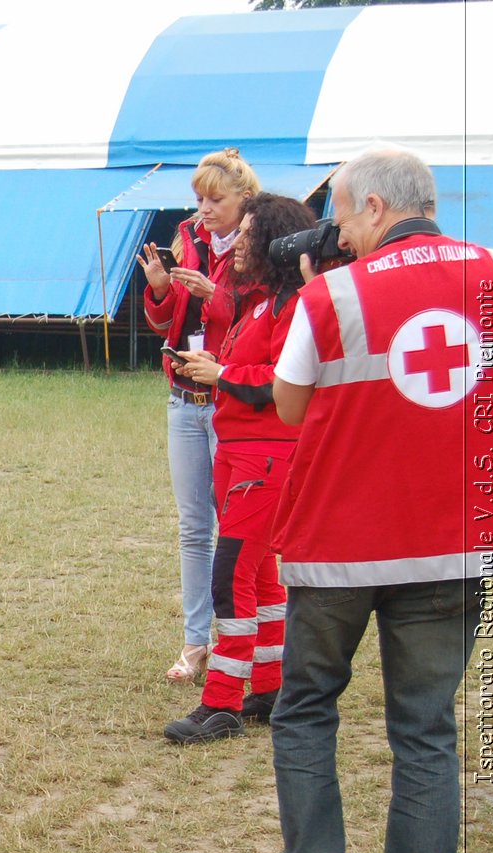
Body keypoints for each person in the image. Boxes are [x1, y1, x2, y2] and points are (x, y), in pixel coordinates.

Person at [268, 148, 493, 853]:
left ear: (372, 206)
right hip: (459, 544)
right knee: (425, 728)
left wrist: (309, 307)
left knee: (306, 710)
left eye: (344, 217)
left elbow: (291, 407)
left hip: (339, 548)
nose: (341, 235)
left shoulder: (332, 292)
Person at [164, 193, 316, 743]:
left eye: (248, 234)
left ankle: (222, 701)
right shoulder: (259, 301)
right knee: (259, 575)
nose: (238, 243)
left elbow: (283, 382)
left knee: (231, 573)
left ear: (273, 241)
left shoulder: (290, 305)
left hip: (266, 453)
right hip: (241, 448)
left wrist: (221, 371)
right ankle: (270, 687)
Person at [137, 149, 261, 684]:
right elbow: (165, 320)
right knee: (193, 527)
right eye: (198, 199)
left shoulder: (264, 246)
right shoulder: (188, 236)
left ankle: (250, 637)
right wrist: (162, 290)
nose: (203, 209)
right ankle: (195, 641)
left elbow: (265, 320)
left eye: (216, 199)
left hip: (234, 402)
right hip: (184, 398)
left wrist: (218, 294)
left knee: (243, 529)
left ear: (244, 199)